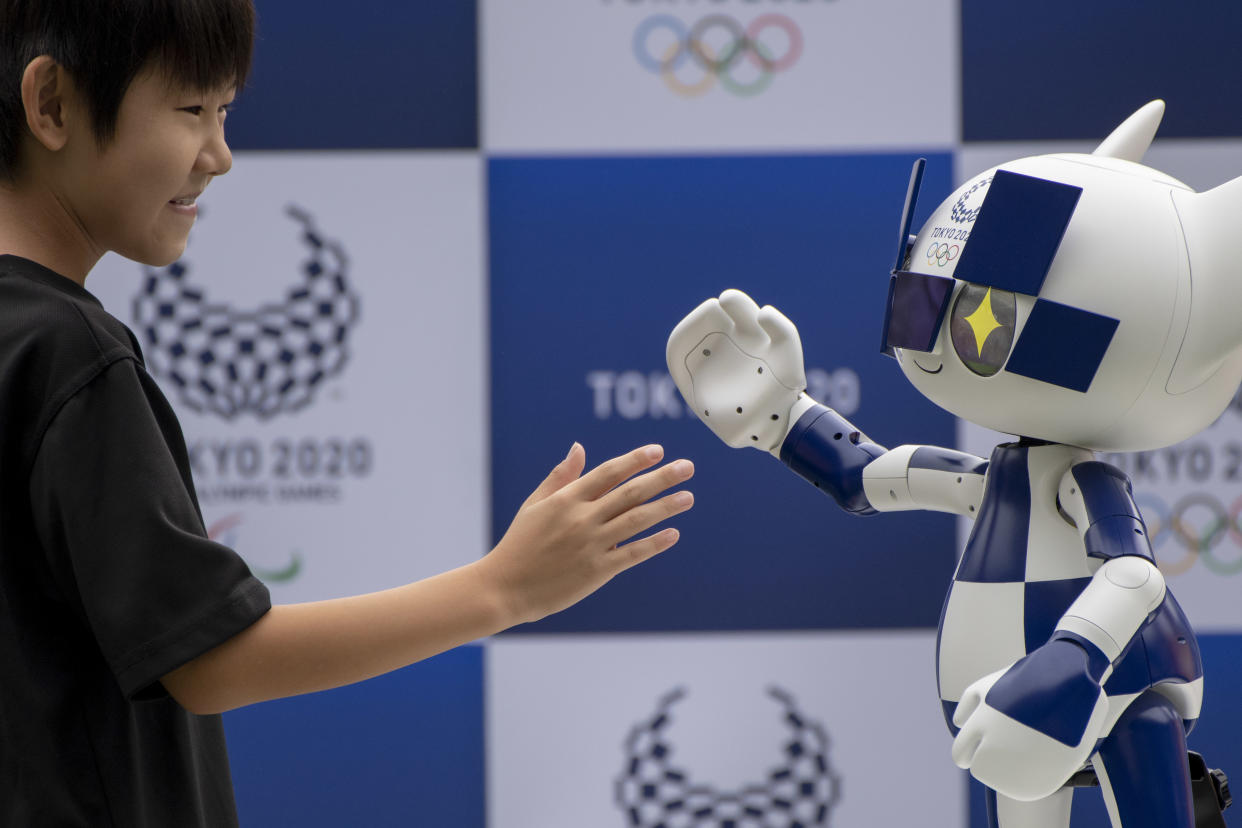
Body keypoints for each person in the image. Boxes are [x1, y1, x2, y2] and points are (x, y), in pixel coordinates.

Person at [0, 1, 695, 825]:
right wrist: (503, 588)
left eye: (225, 111)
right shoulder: (68, 353)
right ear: (50, 105)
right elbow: (206, 656)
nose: (219, 155)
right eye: (191, 110)